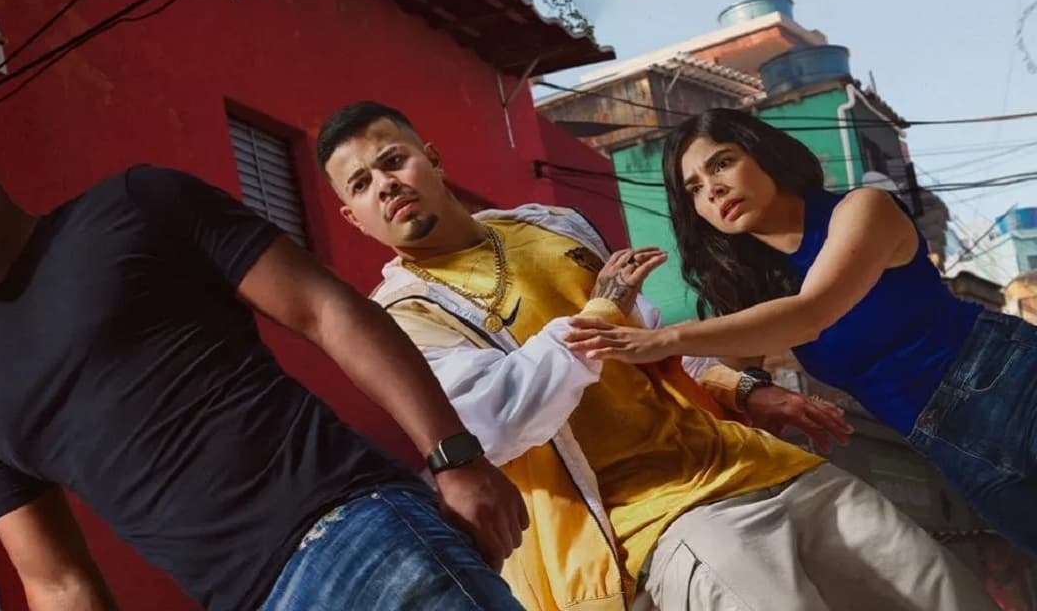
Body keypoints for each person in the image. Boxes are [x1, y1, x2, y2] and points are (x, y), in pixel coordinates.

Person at [0, 97, 529, 611]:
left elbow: (326, 310)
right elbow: (58, 584)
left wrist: (455, 458)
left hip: (360, 537)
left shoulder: (136, 207)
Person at [316, 100, 997, 611]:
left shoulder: (547, 226)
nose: (385, 185)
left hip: (747, 459)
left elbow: (650, 337)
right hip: (654, 516)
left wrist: (743, 390)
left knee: (940, 589)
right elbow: (493, 422)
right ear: (352, 217)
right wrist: (601, 308)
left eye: (393, 160)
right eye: (360, 184)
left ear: (432, 158)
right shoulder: (403, 318)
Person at [586, 107, 1036, 555]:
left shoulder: (862, 208)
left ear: (764, 154)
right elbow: (717, 371)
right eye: (695, 190)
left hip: (1007, 379)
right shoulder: (757, 289)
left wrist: (665, 339)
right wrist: (613, 306)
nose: (713, 190)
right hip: (941, 440)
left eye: (722, 163)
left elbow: (812, 312)